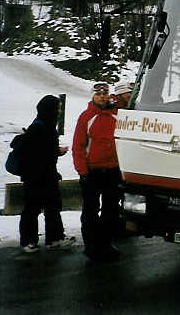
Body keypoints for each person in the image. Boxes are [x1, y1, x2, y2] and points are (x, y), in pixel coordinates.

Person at [19, 95, 76, 253]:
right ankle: (29, 241)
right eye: (57, 107)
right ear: (50, 109)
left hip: (45, 175)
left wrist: (56, 152)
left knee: (51, 207)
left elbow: (44, 151)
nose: (59, 111)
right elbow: (36, 154)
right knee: (33, 208)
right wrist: (56, 151)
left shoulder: (46, 125)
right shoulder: (39, 127)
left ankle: (54, 238)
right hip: (37, 177)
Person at [72, 82, 120, 261]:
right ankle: (91, 246)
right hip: (92, 171)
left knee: (111, 210)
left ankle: (106, 243)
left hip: (113, 170)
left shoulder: (116, 115)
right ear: (92, 96)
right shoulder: (86, 117)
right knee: (91, 210)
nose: (102, 96)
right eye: (98, 93)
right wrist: (83, 172)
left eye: (105, 93)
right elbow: (78, 146)